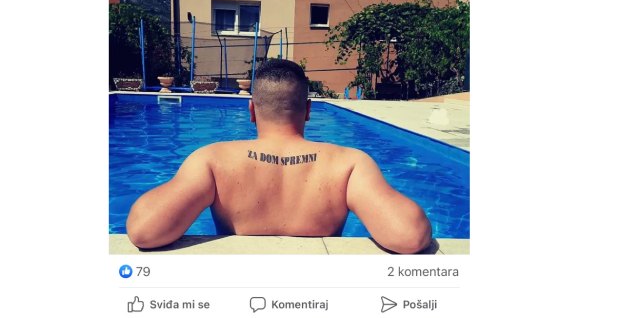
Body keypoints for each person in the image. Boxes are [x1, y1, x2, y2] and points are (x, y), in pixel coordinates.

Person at [126, 59, 432, 254]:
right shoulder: (349, 164)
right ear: (308, 110)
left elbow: (144, 230)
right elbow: (410, 235)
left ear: (251, 110)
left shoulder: (212, 160)